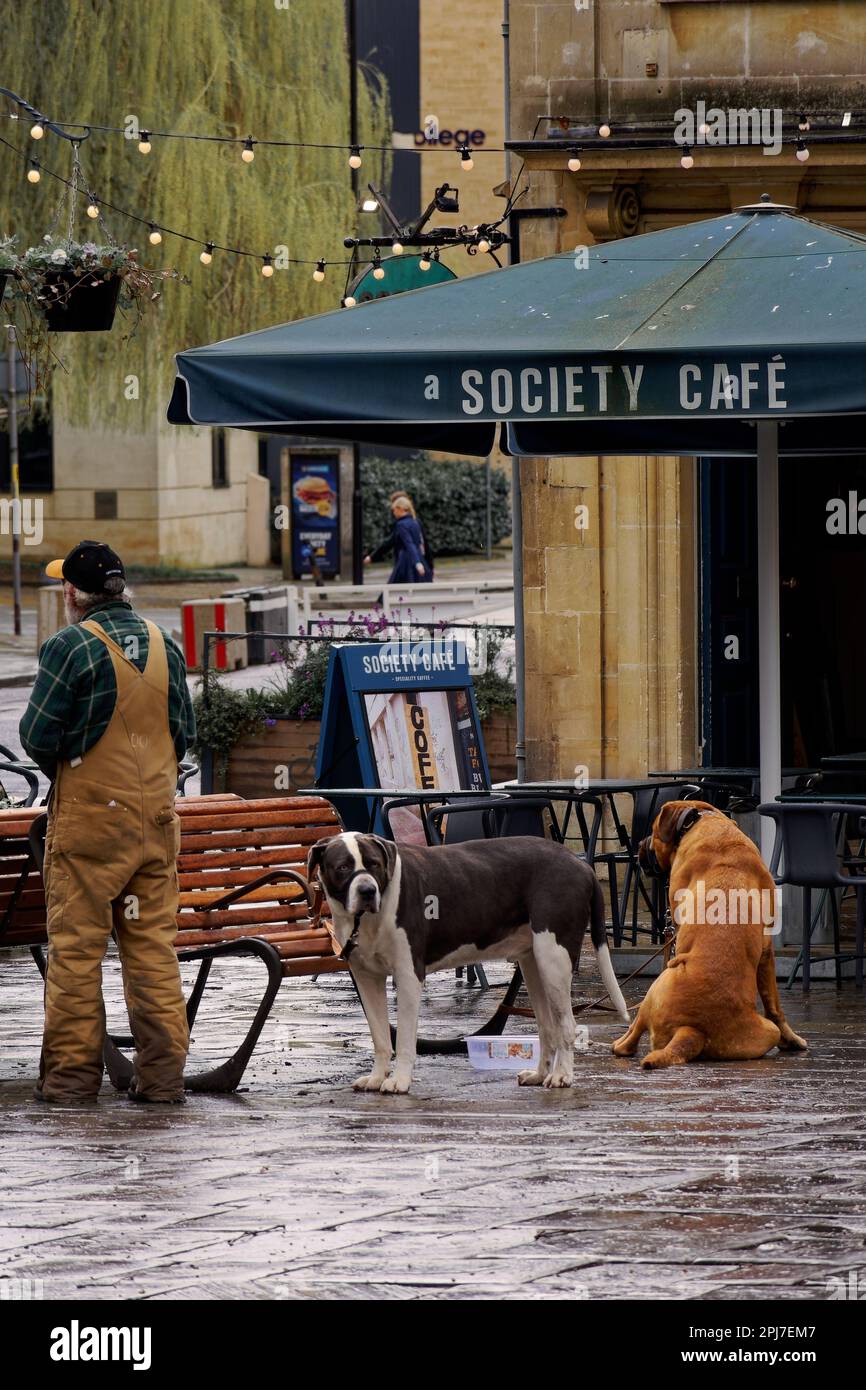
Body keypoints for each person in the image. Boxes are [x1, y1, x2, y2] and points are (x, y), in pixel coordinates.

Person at [20, 541, 196, 1105]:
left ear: (72, 593)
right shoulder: (167, 643)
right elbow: (183, 734)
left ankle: (71, 1082)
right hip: (156, 823)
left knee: (75, 951)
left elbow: (36, 737)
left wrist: (80, 769)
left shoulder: (68, 648)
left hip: (92, 830)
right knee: (152, 951)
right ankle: (164, 1079)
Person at [364, 492, 433, 583]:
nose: (393, 512)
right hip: (419, 559)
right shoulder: (414, 521)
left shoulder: (401, 524)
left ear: (400, 508)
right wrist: (426, 565)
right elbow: (422, 544)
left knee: (395, 592)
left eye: (394, 509)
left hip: (405, 562)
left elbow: (408, 543)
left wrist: (418, 563)